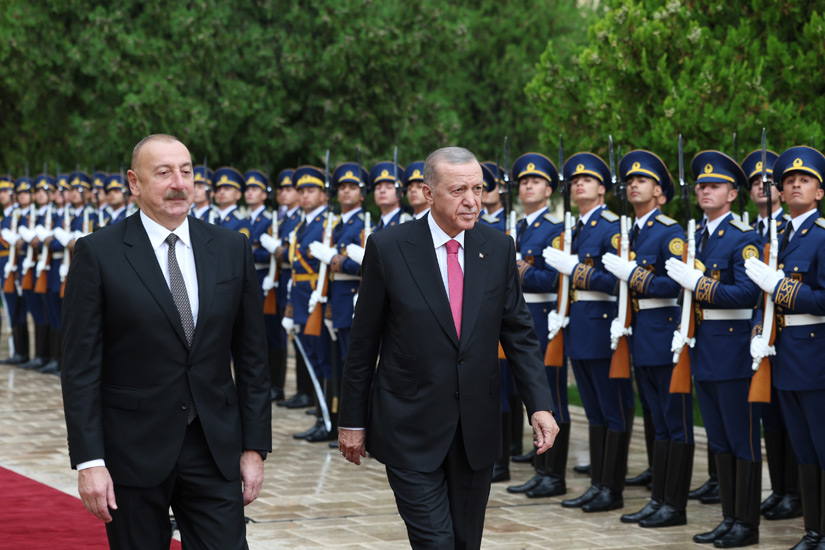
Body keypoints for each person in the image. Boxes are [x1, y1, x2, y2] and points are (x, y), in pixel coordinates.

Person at [339, 146, 559, 550]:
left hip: (475, 427)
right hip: (409, 424)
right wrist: (352, 420)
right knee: (435, 543)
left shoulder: (497, 247)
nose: (472, 201)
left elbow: (519, 334)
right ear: (428, 192)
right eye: (459, 190)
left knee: (464, 542)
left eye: (477, 188)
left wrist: (540, 405)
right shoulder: (389, 248)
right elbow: (363, 342)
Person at [60, 134, 271, 549]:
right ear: (134, 183)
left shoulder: (231, 249)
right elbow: (80, 367)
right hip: (132, 450)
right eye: (163, 172)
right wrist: (89, 461)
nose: (179, 182)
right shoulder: (98, 254)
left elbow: (252, 359)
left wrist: (254, 447)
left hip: (213, 446)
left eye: (186, 171)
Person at [665, 150, 762, 547]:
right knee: (719, 440)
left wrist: (699, 284)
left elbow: (748, 292)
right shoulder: (696, 237)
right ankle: (729, 517)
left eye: (715, 185)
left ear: (733, 194)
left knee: (742, 440)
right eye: (702, 185)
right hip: (703, 348)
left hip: (733, 350)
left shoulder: (744, 238)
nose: (705, 190)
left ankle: (748, 525)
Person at [602, 150, 694, 527]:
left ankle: (674, 504)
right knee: (656, 420)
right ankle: (659, 498)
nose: (633, 184)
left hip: (665, 335)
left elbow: (673, 285)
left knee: (675, 422)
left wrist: (633, 275)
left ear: (660, 192)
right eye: (630, 180)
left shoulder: (669, 231)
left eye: (642, 180)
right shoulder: (632, 232)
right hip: (641, 337)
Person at [544, 152, 635, 513]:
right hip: (580, 328)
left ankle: (612, 488)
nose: (579, 183)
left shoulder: (612, 226)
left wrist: (576, 270)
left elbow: (616, 281)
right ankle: (598, 483)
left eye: (588, 179)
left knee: (613, 410)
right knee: (595, 413)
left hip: (602, 328)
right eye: (575, 181)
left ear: (603, 189)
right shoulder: (577, 228)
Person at [745, 145, 825, 550]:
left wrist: (782, 288)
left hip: (815, 355)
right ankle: (814, 532)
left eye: (804, 179)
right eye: (788, 180)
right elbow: (765, 300)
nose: (795, 184)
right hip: (784, 355)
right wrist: (761, 328)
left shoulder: (822, 237)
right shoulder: (777, 237)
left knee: (822, 445)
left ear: (819, 191)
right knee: (804, 448)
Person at [740, 149, 801, 522]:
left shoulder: (788, 230)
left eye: (767, 180)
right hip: (758, 335)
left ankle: (794, 491)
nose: (761, 187)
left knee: (792, 417)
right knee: (770, 419)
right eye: (754, 182)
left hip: (791, 336)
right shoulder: (752, 232)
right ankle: (780, 489)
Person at [505, 153, 569, 498]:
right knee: (531, 396)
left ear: (548, 190)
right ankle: (541, 469)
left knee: (551, 397)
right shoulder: (517, 228)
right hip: (519, 318)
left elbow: (550, 280)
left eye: (536, 181)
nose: (528, 185)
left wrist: (518, 269)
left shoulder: (556, 231)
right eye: (524, 181)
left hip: (544, 319)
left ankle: (553, 475)